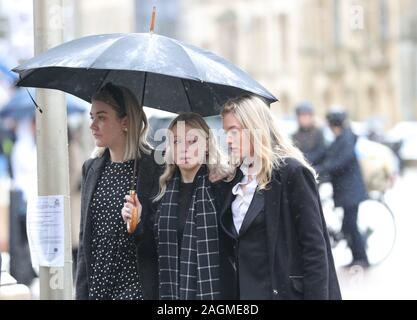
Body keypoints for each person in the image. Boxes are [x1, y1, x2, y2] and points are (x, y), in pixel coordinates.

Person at [217, 94, 341, 300]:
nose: (228, 139)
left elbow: (315, 250)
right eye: (226, 132)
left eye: (234, 131)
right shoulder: (235, 177)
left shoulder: (292, 172)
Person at [122, 113, 232, 300]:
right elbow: (150, 253)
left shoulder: (222, 187)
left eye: (192, 141)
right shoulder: (161, 191)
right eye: (177, 142)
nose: (184, 149)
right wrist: (137, 221)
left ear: (206, 145)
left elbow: (231, 248)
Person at [75, 83, 160, 300]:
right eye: (91, 117)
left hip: (135, 290)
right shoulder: (91, 168)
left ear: (125, 121)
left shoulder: (153, 168)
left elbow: (163, 238)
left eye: (101, 117)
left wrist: (139, 223)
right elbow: (86, 240)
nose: (93, 125)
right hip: (98, 289)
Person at [316, 108, 369, 268]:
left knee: (350, 225)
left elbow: (339, 162)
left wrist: (321, 169)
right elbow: (325, 154)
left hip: (351, 190)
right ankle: (357, 257)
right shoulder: (341, 138)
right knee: (348, 224)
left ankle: (362, 258)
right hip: (346, 190)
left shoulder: (346, 139)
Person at [292, 102, 326, 166]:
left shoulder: (318, 133)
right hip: (300, 167)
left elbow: (321, 152)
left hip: (316, 168)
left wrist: (304, 160)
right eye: (302, 116)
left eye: (307, 116)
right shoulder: (295, 135)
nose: (305, 119)